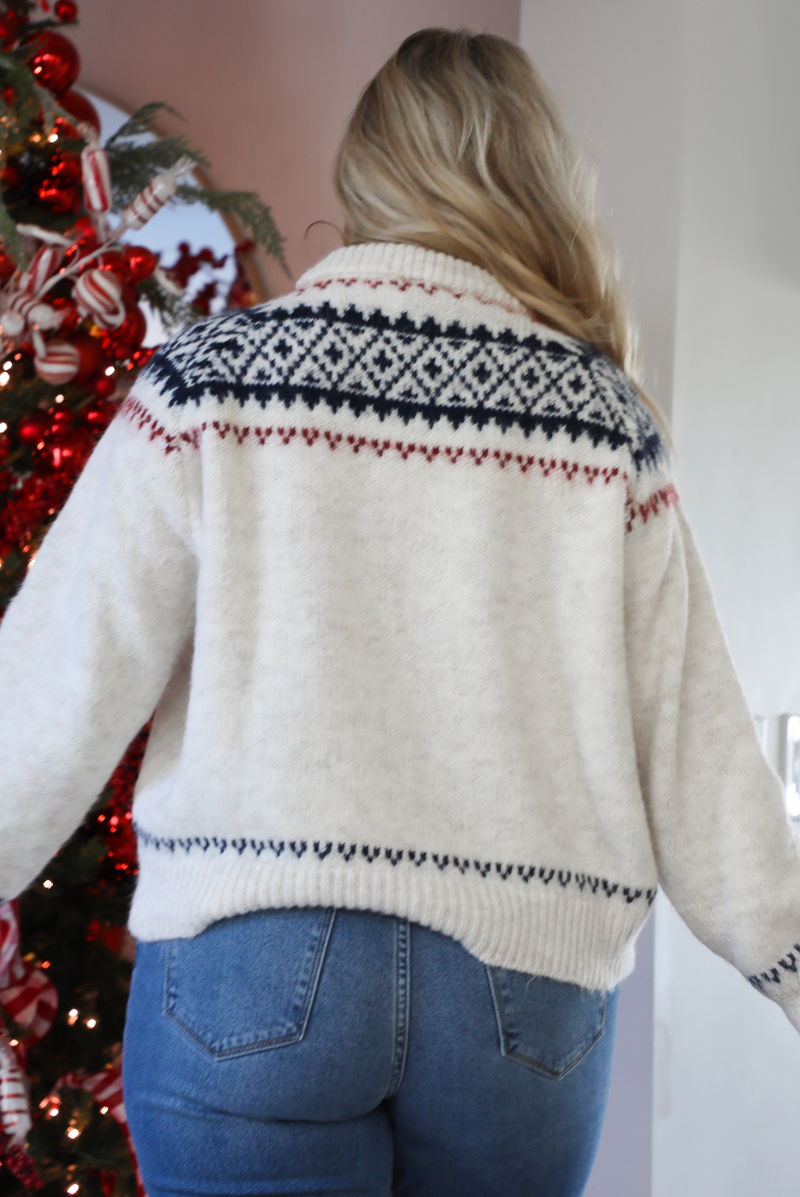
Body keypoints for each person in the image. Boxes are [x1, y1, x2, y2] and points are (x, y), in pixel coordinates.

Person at [1, 26, 799, 1197]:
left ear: (367, 174)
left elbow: (54, 685)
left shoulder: (209, 385)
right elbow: (697, 756)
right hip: (523, 1000)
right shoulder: (600, 425)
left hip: (249, 968)